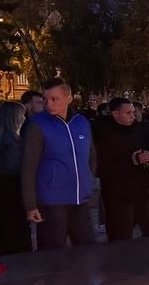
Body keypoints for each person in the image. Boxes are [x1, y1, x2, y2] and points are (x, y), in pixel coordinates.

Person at [21, 77, 96, 250]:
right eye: (46, 100)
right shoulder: (38, 124)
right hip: (52, 201)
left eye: (55, 99)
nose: (49, 104)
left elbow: (91, 156)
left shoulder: (81, 122)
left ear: (68, 98)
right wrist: (31, 204)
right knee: (52, 254)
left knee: (88, 251)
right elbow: (28, 166)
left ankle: (82, 277)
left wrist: (88, 181)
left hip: (79, 200)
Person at [94, 97, 149, 241]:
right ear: (115, 114)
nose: (133, 116)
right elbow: (101, 165)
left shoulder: (138, 129)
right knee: (122, 233)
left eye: (133, 112)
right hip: (118, 193)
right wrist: (129, 161)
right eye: (128, 113)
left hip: (141, 187)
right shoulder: (103, 134)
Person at [0, 101, 32, 255]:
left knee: (2, 237)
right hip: (13, 195)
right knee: (19, 237)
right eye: (22, 116)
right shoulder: (16, 141)